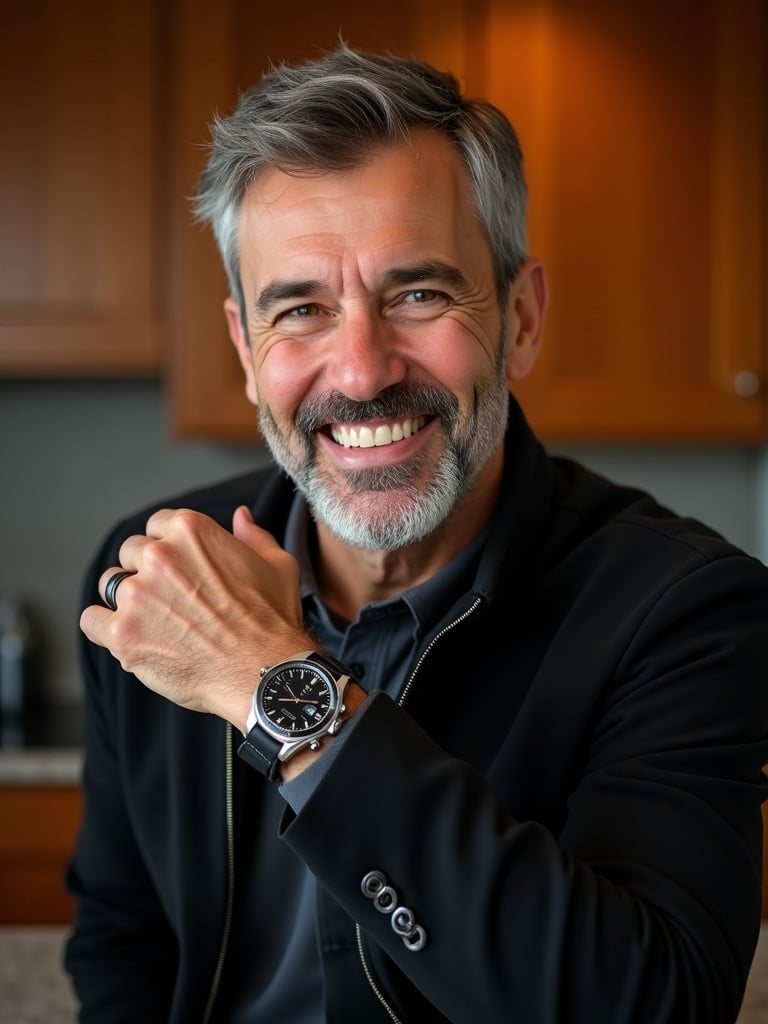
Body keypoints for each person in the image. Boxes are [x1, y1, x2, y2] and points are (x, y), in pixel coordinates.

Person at [65, 45, 768, 1023]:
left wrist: (283, 691)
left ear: (519, 319)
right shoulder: (153, 576)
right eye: (300, 309)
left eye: (418, 294)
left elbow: (654, 1003)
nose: (359, 371)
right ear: (244, 346)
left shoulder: (687, 613)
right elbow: (122, 939)